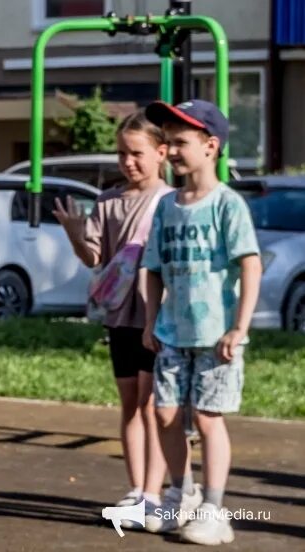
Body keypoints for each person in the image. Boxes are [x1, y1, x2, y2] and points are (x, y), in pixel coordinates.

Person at [141, 99, 261, 545]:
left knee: (208, 419)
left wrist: (239, 327)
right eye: (167, 142)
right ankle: (181, 493)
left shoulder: (227, 205)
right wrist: (151, 319)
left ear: (210, 146)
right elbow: (152, 268)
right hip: (172, 331)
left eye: (180, 142)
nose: (171, 151)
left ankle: (214, 509)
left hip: (216, 336)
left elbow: (250, 266)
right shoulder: (167, 205)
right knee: (165, 413)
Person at [54, 112, 172, 524]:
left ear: (161, 153)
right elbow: (95, 258)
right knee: (129, 404)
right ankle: (137, 487)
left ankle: (155, 493)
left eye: (136, 153)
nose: (128, 162)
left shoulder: (170, 201)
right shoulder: (108, 202)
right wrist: (73, 231)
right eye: (122, 153)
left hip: (159, 317)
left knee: (153, 404)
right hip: (121, 316)